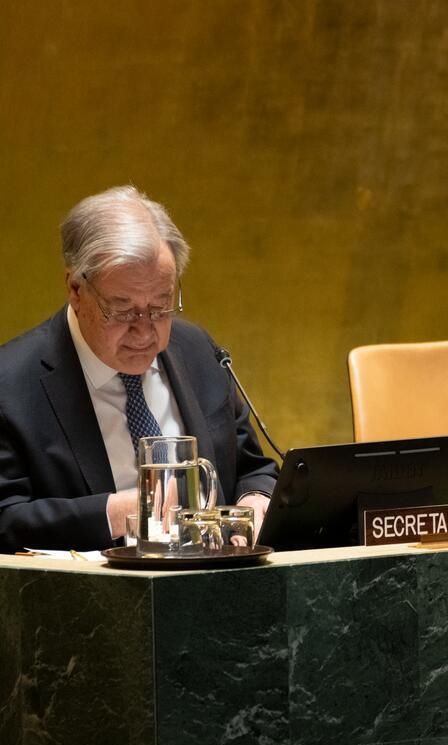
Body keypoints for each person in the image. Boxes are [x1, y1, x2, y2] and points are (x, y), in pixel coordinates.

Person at [0, 186, 277, 552]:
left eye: (161, 306)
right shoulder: (11, 384)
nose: (145, 330)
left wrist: (256, 501)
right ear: (75, 289)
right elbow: (6, 519)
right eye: (123, 309)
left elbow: (253, 469)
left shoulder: (197, 351)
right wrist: (116, 512)